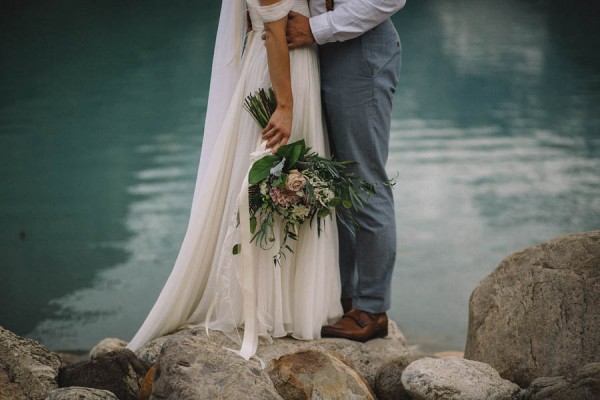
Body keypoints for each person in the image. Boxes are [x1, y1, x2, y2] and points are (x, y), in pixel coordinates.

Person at [126, 0, 342, 361]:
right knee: (272, 180)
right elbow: (274, 30)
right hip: (281, 74)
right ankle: (258, 306)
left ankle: (290, 304)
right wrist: (285, 106)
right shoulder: (282, 84)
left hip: (293, 65)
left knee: (290, 183)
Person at [286, 0, 405, 341]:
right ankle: (346, 296)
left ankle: (372, 309)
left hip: (361, 50)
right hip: (319, 54)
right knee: (333, 183)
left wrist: (315, 28)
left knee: (364, 183)